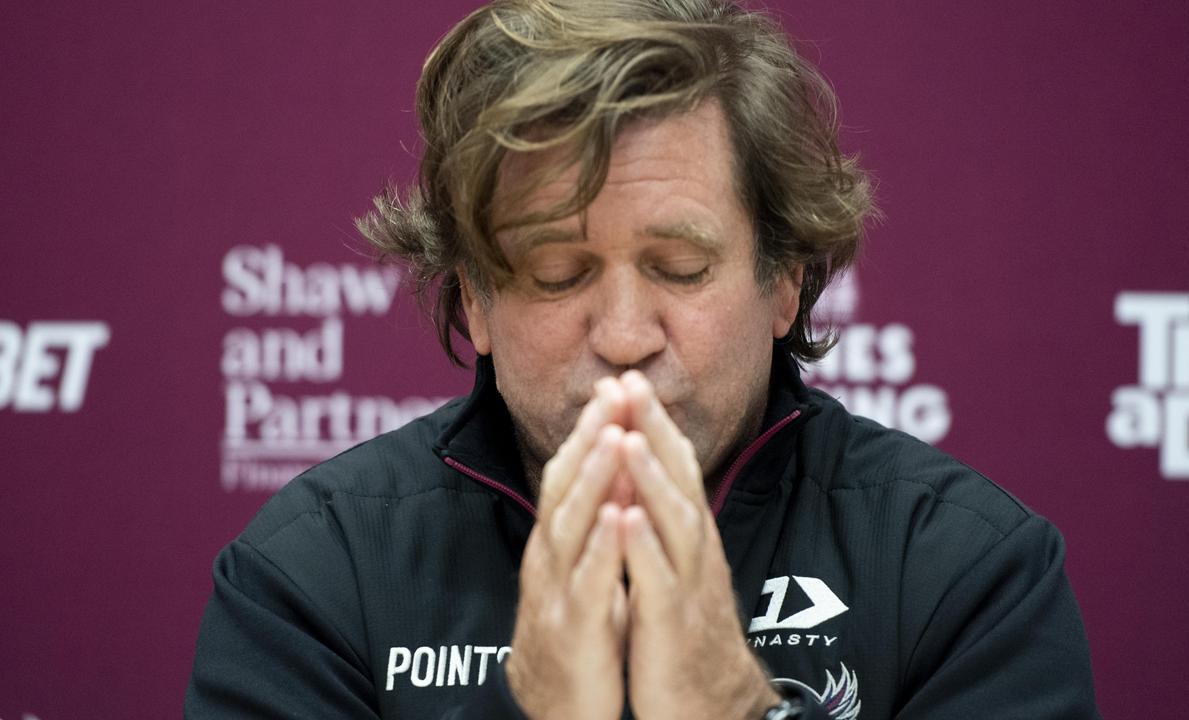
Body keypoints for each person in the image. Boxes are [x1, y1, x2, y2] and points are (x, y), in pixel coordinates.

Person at [186, 0, 1100, 718]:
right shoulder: (311, 580)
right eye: (555, 273)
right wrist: (530, 709)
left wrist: (731, 710)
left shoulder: (968, 577)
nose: (624, 334)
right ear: (475, 298)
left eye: (680, 268)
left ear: (784, 280)